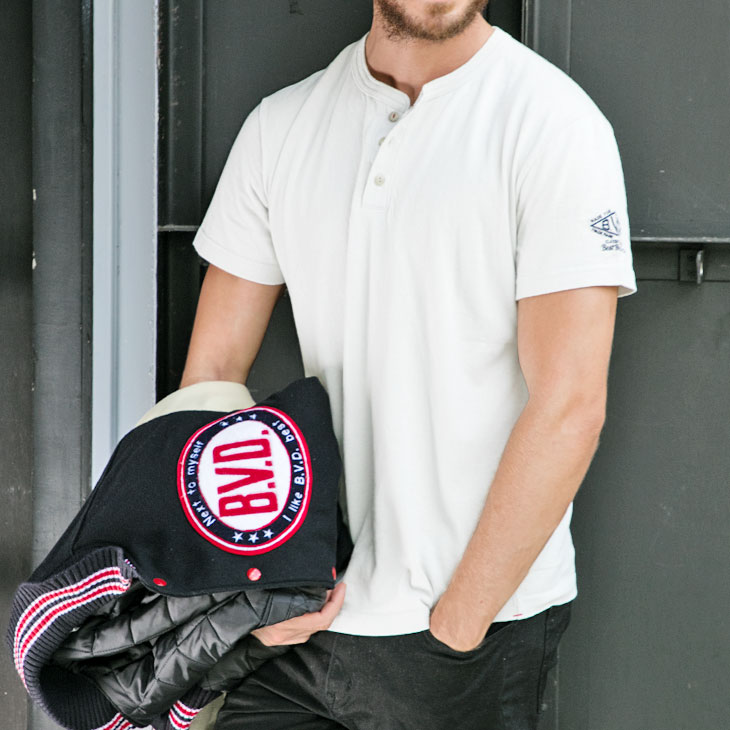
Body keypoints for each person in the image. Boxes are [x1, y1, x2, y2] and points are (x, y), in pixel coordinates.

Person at [181, 1, 637, 727]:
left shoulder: (554, 124)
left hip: (463, 633)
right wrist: (246, 591)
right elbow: (210, 375)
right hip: (296, 623)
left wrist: (460, 621)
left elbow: (571, 404)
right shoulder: (281, 126)